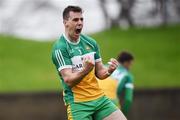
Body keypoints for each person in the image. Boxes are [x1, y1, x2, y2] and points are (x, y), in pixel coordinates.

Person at [51, 6, 127, 120]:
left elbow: (100, 73)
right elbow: (68, 80)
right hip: (78, 104)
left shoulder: (91, 43)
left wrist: (109, 70)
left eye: (81, 19)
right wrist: (85, 70)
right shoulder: (60, 48)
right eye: (75, 20)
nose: (80, 23)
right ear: (65, 22)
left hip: (99, 99)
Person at [98, 51, 134, 116]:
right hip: (110, 102)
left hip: (93, 100)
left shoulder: (102, 68)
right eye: (130, 64)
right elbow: (128, 99)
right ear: (126, 63)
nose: (130, 67)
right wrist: (123, 115)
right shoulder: (127, 75)